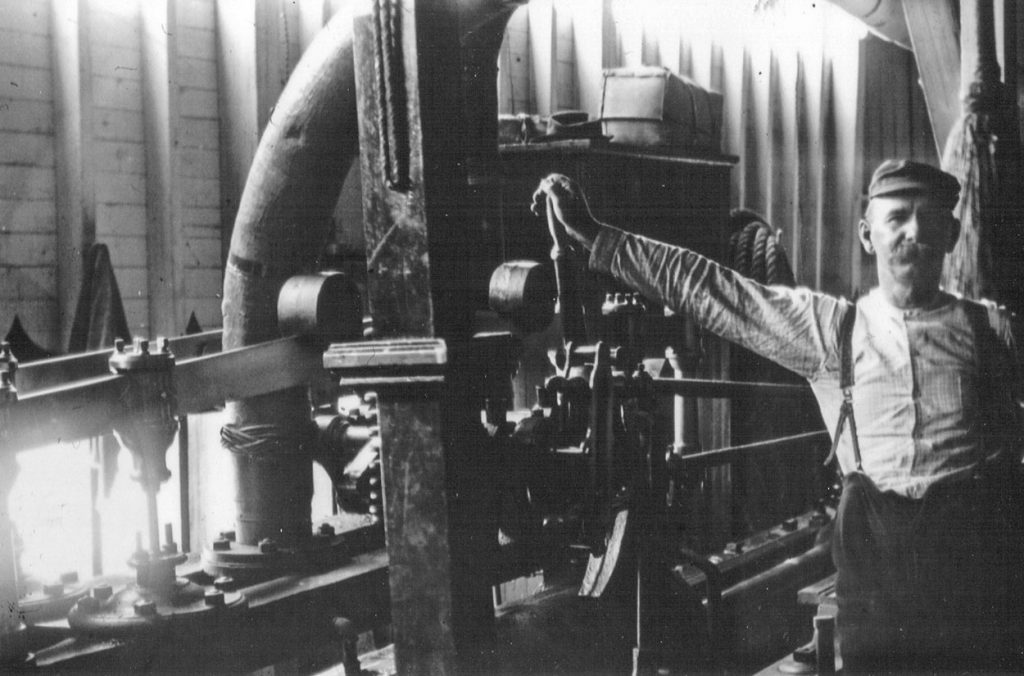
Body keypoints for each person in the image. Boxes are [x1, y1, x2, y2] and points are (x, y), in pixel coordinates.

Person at [531, 160, 1024, 673]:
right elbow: (712, 289)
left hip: (972, 582)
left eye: (929, 217)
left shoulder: (994, 332)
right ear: (867, 235)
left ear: (952, 232)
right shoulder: (833, 331)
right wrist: (595, 237)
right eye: (897, 216)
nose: (913, 231)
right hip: (876, 589)